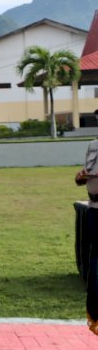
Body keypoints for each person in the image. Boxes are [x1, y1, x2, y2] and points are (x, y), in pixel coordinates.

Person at [77, 114, 98, 336]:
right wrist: (81, 176)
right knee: (94, 259)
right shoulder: (93, 145)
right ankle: (94, 312)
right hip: (93, 208)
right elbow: (83, 177)